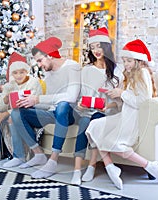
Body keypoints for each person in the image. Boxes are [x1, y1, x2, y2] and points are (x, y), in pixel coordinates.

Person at [85, 39, 158, 189]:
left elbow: (143, 101)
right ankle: (110, 167)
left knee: (117, 144)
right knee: (94, 126)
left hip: (134, 118)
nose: (125, 64)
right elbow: (126, 100)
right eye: (124, 61)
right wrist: (112, 101)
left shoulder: (143, 73)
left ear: (138, 60)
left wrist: (122, 93)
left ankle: (150, 166)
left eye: (129, 61)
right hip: (125, 114)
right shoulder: (130, 74)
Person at [8, 37, 81, 179]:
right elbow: (48, 101)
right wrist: (30, 102)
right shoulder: (49, 73)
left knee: (63, 105)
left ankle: (53, 161)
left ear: (50, 55)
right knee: (17, 112)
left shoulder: (72, 66)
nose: (39, 64)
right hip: (53, 113)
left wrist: (38, 99)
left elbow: (71, 97)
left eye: (40, 60)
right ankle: (39, 154)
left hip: (71, 113)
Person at [70, 27, 123, 185]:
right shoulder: (86, 70)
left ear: (106, 47)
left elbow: (121, 100)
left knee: (94, 121)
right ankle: (76, 171)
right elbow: (81, 96)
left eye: (99, 46)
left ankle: (91, 166)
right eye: (92, 48)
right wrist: (80, 104)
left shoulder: (117, 70)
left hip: (108, 112)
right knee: (86, 122)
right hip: (88, 111)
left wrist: (107, 106)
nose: (96, 51)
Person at [0, 52, 42, 165]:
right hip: (14, 111)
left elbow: (29, 103)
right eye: (15, 73)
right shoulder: (11, 84)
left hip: (30, 111)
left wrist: (6, 113)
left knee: (11, 117)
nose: (19, 75)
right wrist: (5, 98)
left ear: (26, 71)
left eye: (22, 72)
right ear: (12, 73)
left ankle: (18, 156)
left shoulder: (33, 82)